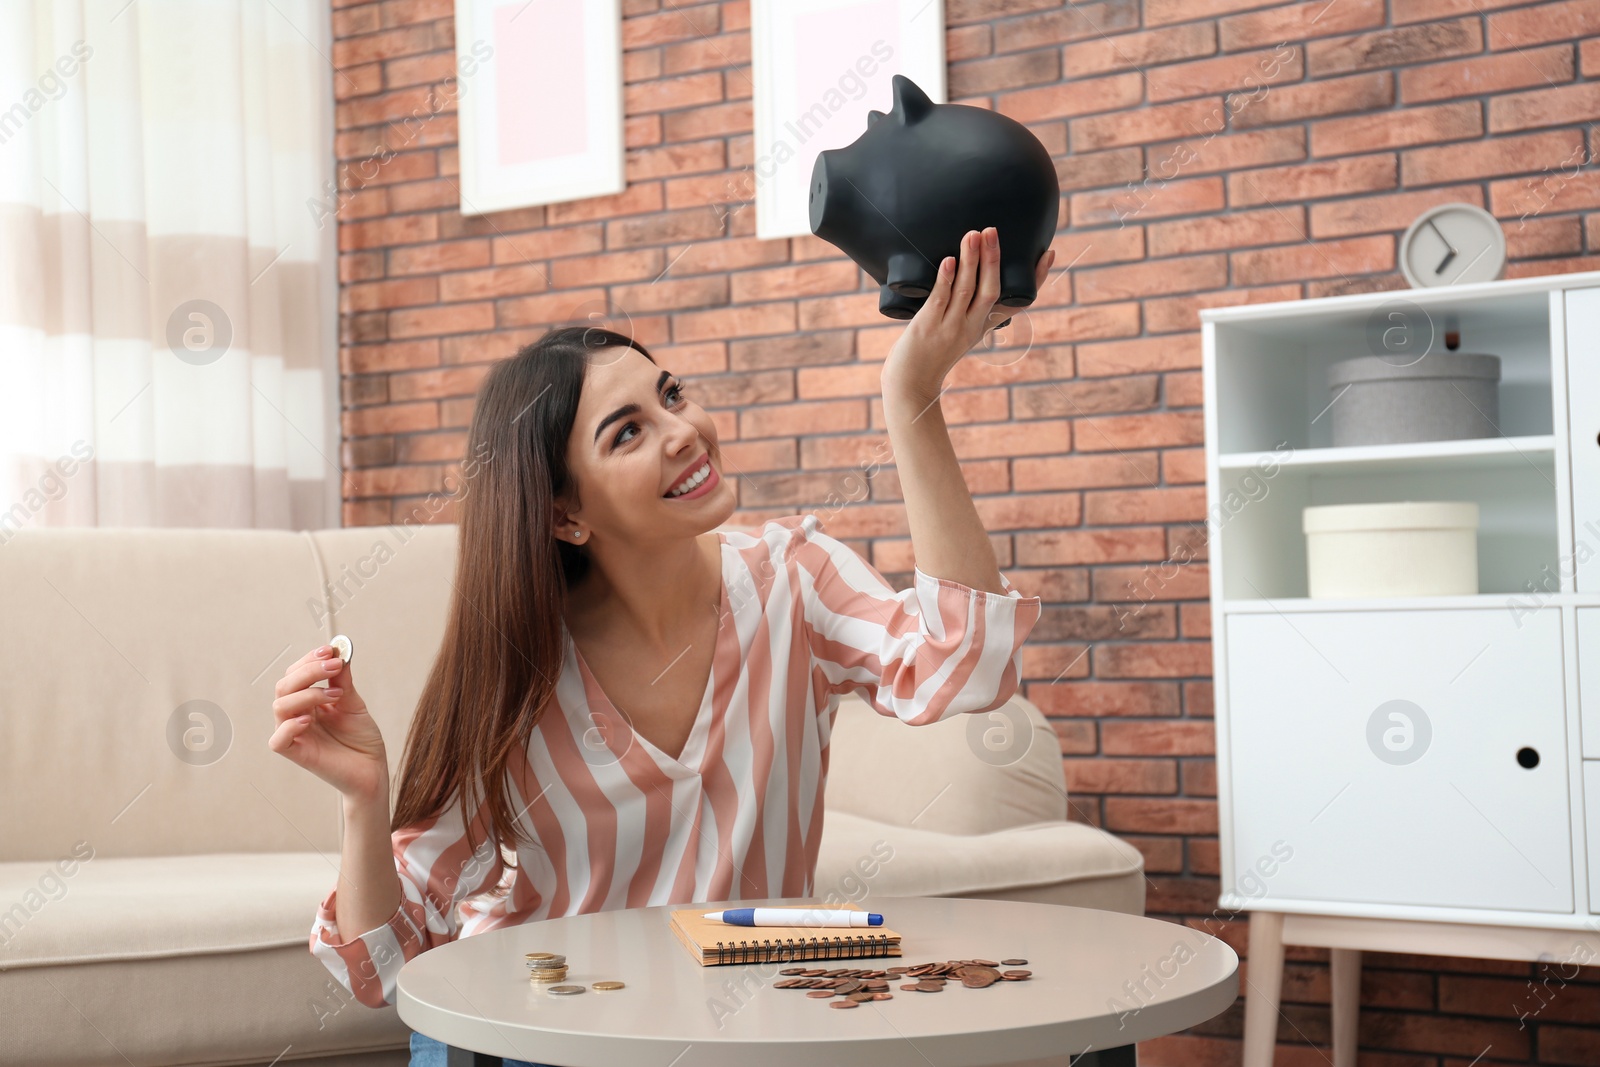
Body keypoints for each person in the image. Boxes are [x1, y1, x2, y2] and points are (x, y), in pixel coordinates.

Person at [269, 227, 1052, 1066]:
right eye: (627, 432)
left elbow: (970, 665)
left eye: (672, 396)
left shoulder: (794, 580)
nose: (683, 432)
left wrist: (914, 395)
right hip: (542, 1039)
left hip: (739, 1030)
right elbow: (382, 964)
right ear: (566, 515)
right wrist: (363, 795)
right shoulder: (520, 671)